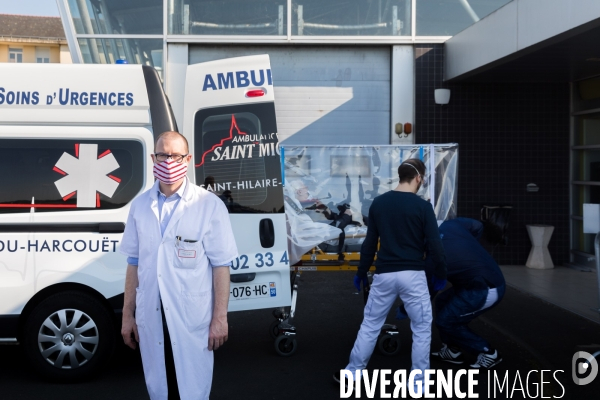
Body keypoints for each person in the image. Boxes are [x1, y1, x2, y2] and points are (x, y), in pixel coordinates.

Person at [120, 131, 238, 400]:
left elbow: (221, 266)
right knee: (160, 388)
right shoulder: (140, 206)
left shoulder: (209, 205)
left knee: (192, 388)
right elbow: (133, 263)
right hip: (151, 313)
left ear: (188, 159)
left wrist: (220, 318)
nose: (169, 161)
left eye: (176, 155)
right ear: (153, 158)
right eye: (163, 155)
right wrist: (128, 315)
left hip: (191, 316)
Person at [334, 158, 447, 391]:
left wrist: (361, 272)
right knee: (422, 327)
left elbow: (369, 244)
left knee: (371, 324)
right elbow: (435, 246)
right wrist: (440, 273)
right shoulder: (423, 207)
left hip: (384, 274)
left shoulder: (379, 203)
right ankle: (418, 384)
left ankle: (352, 375)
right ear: (419, 178)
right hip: (413, 275)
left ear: (400, 175)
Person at [426, 217, 506, 369]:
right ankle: (452, 350)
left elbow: (429, 292)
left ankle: (488, 353)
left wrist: (406, 309)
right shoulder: (451, 225)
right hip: (477, 281)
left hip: (487, 288)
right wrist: (470, 245)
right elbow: (477, 226)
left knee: (446, 321)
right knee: (442, 302)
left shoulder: (434, 259)